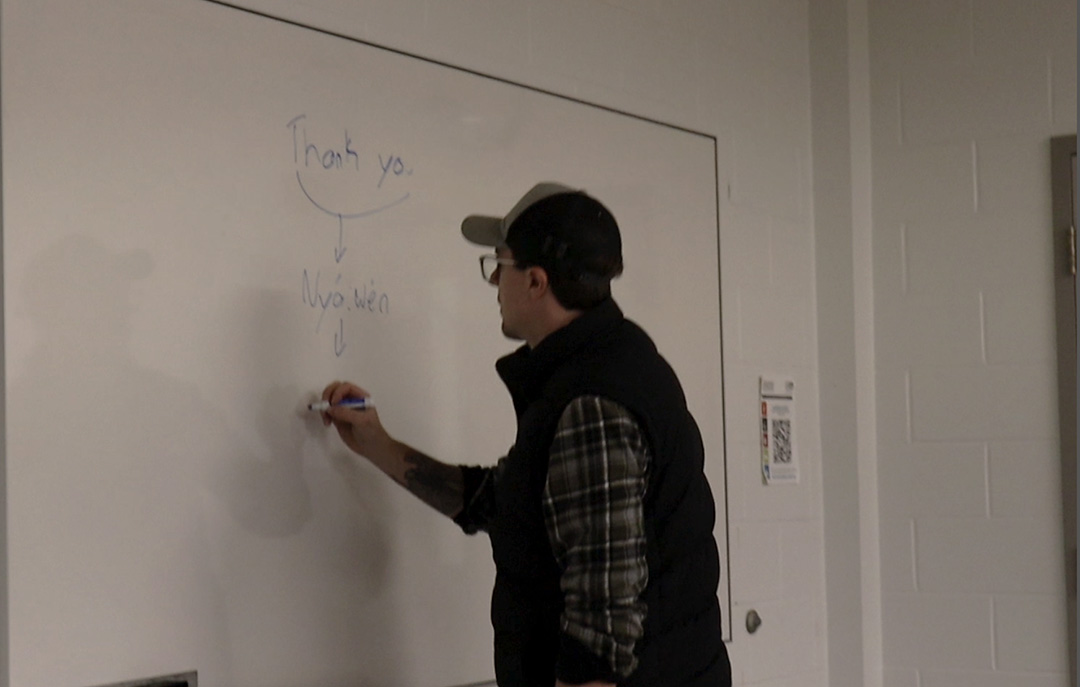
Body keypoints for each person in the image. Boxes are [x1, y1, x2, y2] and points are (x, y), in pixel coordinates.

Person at [320, 182, 731, 687]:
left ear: (535, 281)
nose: (494, 281)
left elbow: (601, 633)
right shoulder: (607, 362)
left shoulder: (593, 402)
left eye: (500, 264)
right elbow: (512, 505)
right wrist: (378, 445)